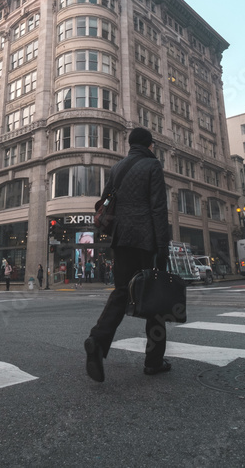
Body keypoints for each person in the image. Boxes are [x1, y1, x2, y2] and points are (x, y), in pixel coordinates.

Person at [85, 127, 171, 382]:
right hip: (146, 239)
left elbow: (105, 201)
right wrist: (162, 246)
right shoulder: (152, 165)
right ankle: (154, 361)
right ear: (150, 145)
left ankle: (97, 341)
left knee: (122, 292)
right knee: (155, 298)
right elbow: (158, 208)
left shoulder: (117, 168)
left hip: (121, 239)